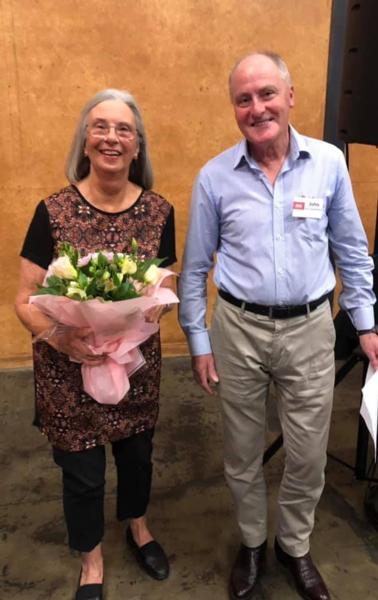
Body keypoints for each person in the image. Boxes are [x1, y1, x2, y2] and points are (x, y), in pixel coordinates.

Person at [179, 52, 378, 600]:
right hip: (238, 329)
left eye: (267, 93)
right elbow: (195, 270)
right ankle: (251, 545)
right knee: (241, 452)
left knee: (309, 452)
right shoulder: (215, 177)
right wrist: (198, 341)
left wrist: (366, 323)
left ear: (290, 96)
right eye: (243, 99)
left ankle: (294, 546)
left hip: (311, 327)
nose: (256, 107)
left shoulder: (328, 166)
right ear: (234, 109)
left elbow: (353, 253)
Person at [15, 89, 176, 600]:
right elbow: (25, 299)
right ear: (85, 141)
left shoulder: (159, 211)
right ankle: (90, 558)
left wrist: (148, 313)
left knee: (137, 458)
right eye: (100, 127)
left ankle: (138, 525)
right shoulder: (53, 212)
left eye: (123, 129)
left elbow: (164, 289)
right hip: (68, 370)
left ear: (137, 146)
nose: (112, 137)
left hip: (134, 366)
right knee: (82, 474)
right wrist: (62, 335)